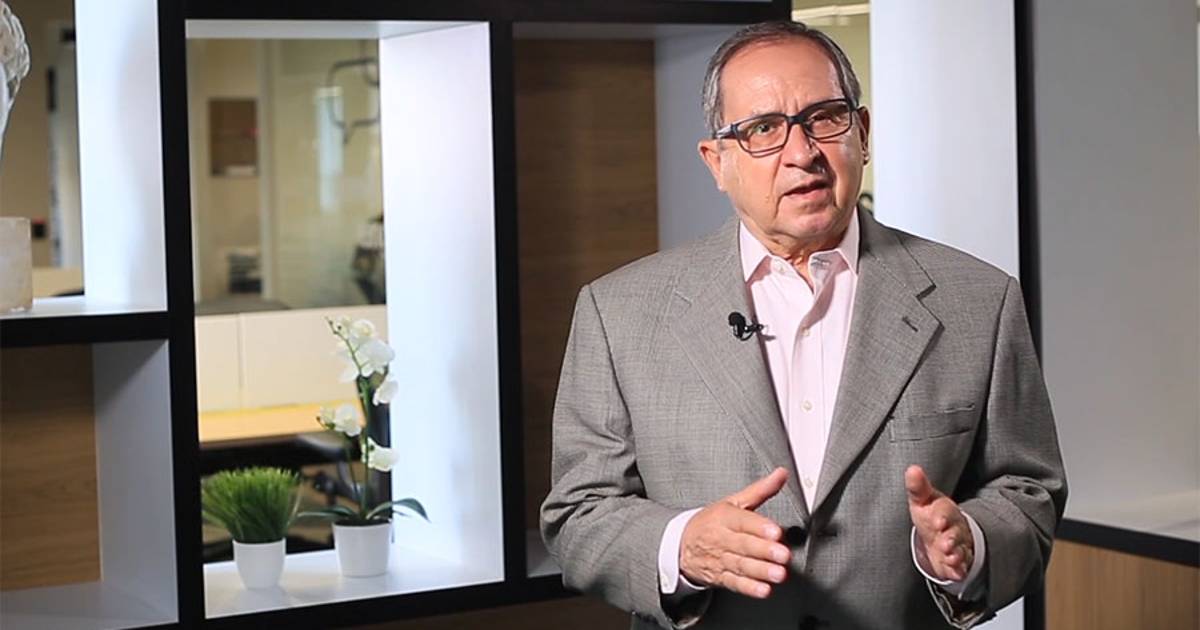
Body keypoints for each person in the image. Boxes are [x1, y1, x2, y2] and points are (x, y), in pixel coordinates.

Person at [540, 21, 1067, 630]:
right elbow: (577, 516)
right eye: (763, 129)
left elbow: (1028, 491)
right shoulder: (619, 312)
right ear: (718, 162)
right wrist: (681, 547)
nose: (802, 152)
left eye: (825, 118)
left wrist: (972, 542)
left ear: (862, 134)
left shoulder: (979, 300)